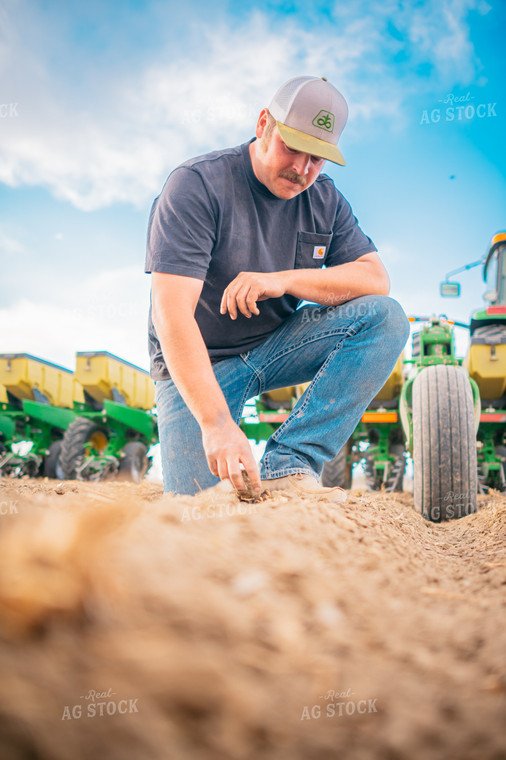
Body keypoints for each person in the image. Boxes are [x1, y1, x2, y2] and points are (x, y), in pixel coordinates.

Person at [145, 75, 410, 498]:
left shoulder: (324, 199)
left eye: (317, 159)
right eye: (293, 148)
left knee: (385, 318)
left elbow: (375, 279)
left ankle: (290, 462)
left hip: (275, 349)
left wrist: (282, 280)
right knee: (196, 508)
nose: (302, 170)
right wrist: (216, 425)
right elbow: (171, 315)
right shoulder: (196, 185)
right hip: (199, 365)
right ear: (263, 123)